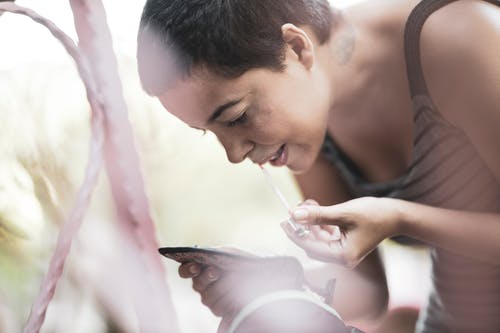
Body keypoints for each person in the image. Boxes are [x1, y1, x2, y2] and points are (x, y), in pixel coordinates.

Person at [136, 0, 500, 332]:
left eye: (236, 117)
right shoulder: (309, 122)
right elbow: (371, 292)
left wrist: (400, 217)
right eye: (207, 132)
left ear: (296, 48)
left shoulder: (457, 39)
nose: (234, 153)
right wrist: (282, 283)